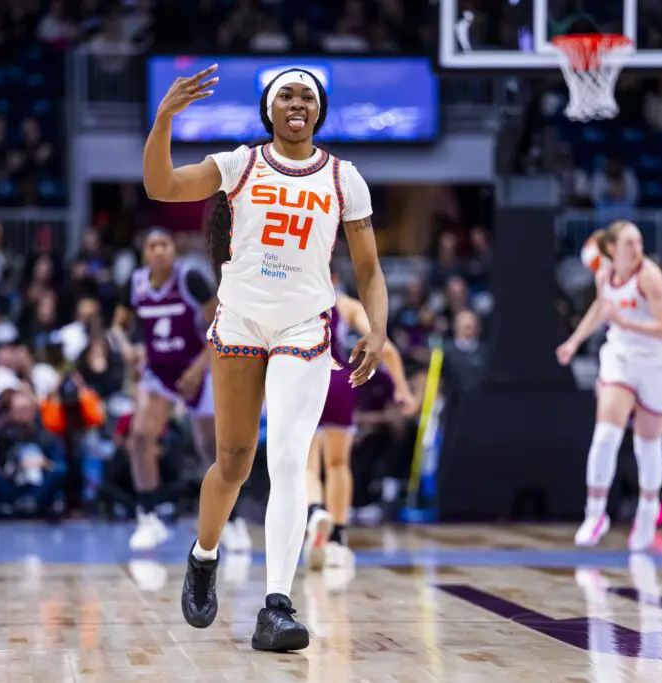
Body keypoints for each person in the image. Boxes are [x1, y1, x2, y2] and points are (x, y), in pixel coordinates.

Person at [143, 65, 388, 651]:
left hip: (305, 327)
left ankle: (276, 604)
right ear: (269, 110)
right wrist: (165, 118)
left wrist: (377, 329)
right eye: (287, 95)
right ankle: (204, 556)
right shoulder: (239, 164)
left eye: (307, 95)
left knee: (287, 460)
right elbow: (161, 187)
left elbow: (371, 270)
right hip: (242, 321)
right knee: (233, 464)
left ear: (320, 111)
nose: (297, 102)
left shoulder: (344, 178)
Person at [110, 228, 248, 551]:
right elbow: (117, 325)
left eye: (165, 244)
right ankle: (150, 516)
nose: (159, 251)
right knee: (140, 436)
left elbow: (221, 326)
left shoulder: (190, 281)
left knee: (213, 448)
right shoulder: (136, 284)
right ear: (144, 253)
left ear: (174, 250)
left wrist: (198, 370)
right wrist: (126, 348)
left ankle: (233, 519)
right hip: (159, 374)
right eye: (152, 245)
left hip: (197, 371)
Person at [557, 221, 662, 552]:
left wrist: (628, 322)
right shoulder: (604, 274)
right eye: (630, 242)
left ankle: (647, 510)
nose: (637, 248)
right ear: (612, 248)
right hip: (621, 359)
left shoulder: (650, 276)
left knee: (647, 445)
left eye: (639, 241)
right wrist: (574, 341)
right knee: (605, 436)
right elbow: (601, 308)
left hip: (655, 362)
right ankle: (595, 514)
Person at [304, 274, 415, 571]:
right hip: (340, 378)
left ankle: (315, 512)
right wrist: (402, 389)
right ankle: (338, 540)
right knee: (338, 463)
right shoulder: (346, 305)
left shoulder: (291, 299)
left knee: (307, 462)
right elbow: (384, 347)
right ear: (336, 279)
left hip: (304, 376)